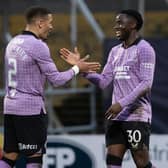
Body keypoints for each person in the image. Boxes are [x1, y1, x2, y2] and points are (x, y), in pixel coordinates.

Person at [0, 6, 100, 168]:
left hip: (10, 106)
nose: (51, 26)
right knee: (34, 157)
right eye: (50, 22)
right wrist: (77, 68)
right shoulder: (37, 45)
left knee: (9, 156)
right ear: (40, 23)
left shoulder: (13, 42)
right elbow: (57, 80)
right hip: (29, 109)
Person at [60, 9, 156, 168]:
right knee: (112, 161)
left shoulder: (145, 49)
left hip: (136, 117)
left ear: (133, 24)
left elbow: (146, 84)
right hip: (116, 117)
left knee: (142, 163)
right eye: (116, 23)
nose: (116, 27)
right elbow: (104, 81)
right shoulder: (115, 51)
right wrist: (81, 69)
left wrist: (121, 103)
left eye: (120, 23)